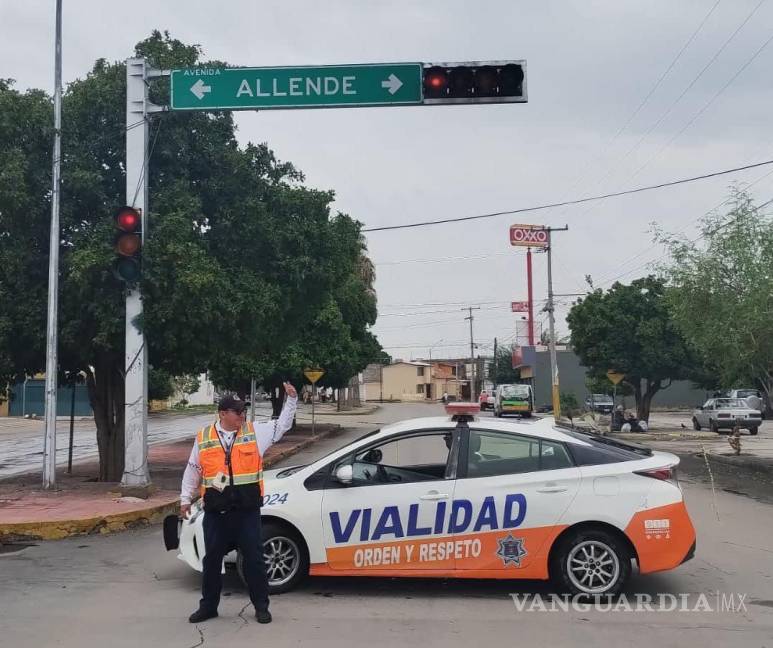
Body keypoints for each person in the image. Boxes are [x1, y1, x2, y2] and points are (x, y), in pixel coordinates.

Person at [181, 383, 298, 625]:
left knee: (254, 560)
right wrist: (185, 499)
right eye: (237, 412)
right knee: (212, 560)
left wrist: (292, 400)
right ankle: (208, 607)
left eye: (243, 411)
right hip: (216, 512)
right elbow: (193, 469)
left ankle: (261, 606)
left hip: (246, 512)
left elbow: (282, 425)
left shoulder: (254, 433)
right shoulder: (204, 438)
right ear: (222, 414)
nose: (242, 416)